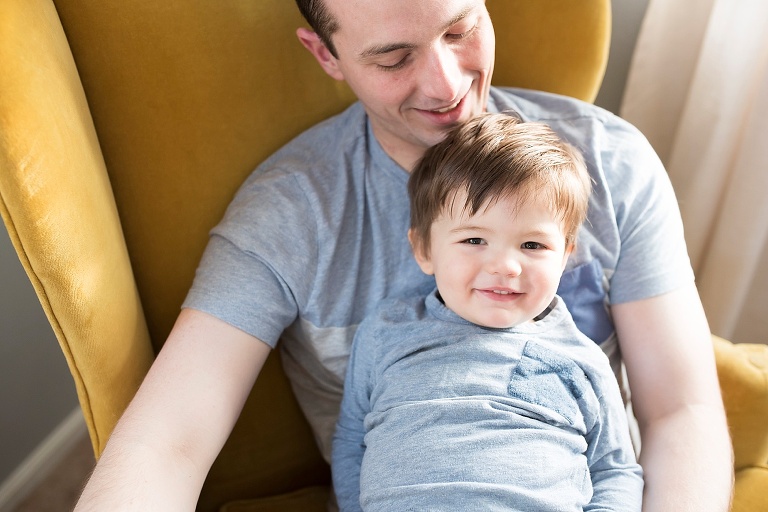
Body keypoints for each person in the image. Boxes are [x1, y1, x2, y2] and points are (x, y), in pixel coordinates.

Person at [74, 1, 732, 511]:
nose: (447, 84)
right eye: (393, 58)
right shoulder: (289, 216)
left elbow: (681, 409)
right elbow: (166, 441)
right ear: (326, 55)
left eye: (459, 30)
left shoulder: (611, 164)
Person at [332, 113, 644, 511]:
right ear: (425, 249)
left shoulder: (582, 359)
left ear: (565, 256)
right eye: (475, 239)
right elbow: (351, 439)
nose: (506, 267)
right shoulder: (387, 331)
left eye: (532, 246)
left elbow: (615, 470)